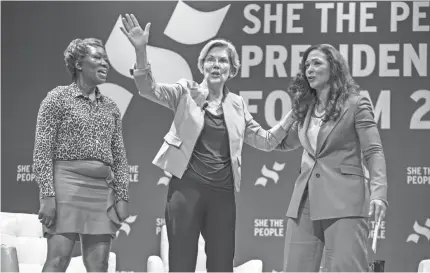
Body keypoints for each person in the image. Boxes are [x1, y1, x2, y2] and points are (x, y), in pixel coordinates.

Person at [120, 14, 295, 272]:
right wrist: (140, 50)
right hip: (186, 189)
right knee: (181, 264)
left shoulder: (237, 105)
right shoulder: (185, 91)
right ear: (202, 66)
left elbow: (266, 141)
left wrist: (294, 114)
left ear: (231, 69)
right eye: (211, 59)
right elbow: (149, 89)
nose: (216, 64)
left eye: (222, 60)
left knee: (222, 266)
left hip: (222, 194)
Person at [276, 44, 388, 272]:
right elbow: (282, 142)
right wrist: (289, 115)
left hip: (345, 199)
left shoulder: (356, 104)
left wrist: (379, 193)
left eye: (317, 63)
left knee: (347, 268)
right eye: (307, 65)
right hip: (305, 201)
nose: (310, 69)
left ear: (334, 68)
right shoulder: (306, 110)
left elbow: (373, 151)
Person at [33, 38, 130, 272]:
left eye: (105, 58)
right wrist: (47, 195)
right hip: (66, 183)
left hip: (101, 189)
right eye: (97, 57)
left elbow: (119, 156)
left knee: (100, 265)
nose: (104, 63)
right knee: (58, 260)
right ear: (78, 63)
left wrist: (122, 196)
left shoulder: (111, 107)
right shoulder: (57, 98)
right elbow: (42, 149)